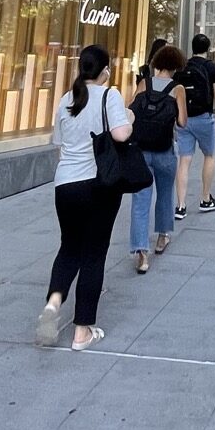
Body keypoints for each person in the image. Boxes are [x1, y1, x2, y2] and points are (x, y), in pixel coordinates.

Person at [37, 45, 131, 350]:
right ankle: (82, 332)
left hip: (65, 186)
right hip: (99, 185)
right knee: (93, 254)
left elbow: (59, 143)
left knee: (68, 248)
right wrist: (129, 117)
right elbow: (120, 135)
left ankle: (53, 303)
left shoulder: (68, 98)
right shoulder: (109, 95)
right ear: (104, 70)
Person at [127, 43, 188, 273]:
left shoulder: (144, 83)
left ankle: (142, 253)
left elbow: (130, 112)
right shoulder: (178, 89)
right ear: (176, 66)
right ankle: (162, 237)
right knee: (164, 195)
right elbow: (182, 122)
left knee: (140, 201)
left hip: (141, 150)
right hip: (165, 150)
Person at [173, 33, 215, 217]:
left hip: (183, 119)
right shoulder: (212, 67)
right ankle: (205, 198)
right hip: (203, 118)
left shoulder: (182, 67)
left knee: (184, 161)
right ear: (208, 48)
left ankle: (180, 206)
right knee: (209, 156)